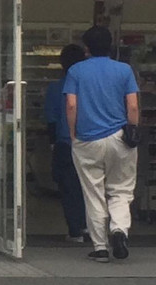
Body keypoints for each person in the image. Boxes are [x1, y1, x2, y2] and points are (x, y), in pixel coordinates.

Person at [64, 25, 140, 263]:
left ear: (86, 48)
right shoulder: (124, 70)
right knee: (121, 189)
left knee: (93, 192)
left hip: (87, 139)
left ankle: (100, 247)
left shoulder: (76, 71)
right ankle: (119, 229)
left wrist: (73, 133)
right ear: (111, 46)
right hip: (120, 137)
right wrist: (132, 130)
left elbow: (72, 106)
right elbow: (133, 106)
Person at [45, 43, 89, 242]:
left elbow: (52, 119)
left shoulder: (56, 88)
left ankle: (75, 230)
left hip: (66, 143)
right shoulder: (90, 87)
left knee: (69, 188)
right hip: (91, 142)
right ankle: (91, 227)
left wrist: (52, 143)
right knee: (91, 187)